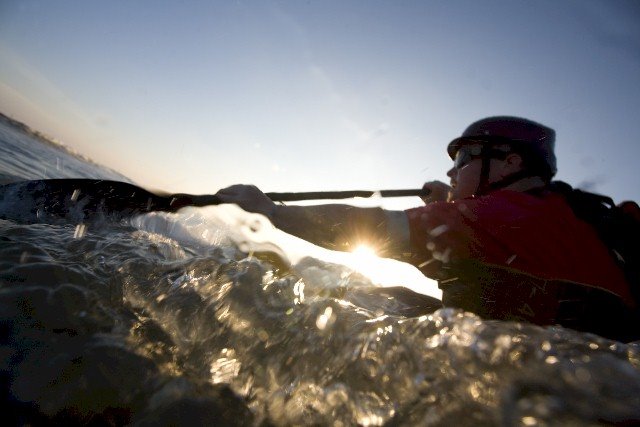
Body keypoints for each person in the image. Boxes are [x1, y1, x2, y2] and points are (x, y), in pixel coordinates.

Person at [216, 116, 638, 341]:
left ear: (510, 163)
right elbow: (490, 258)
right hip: (575, 370)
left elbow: (373, 228)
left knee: (358, 299)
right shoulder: (555, 214)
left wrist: (269, 209)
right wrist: (445, 204)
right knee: (390, 298)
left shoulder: (507, 212)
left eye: (465, 157)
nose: (452, 170)